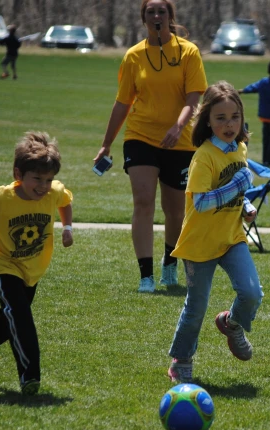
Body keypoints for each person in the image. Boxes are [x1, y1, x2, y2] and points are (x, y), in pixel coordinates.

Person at [93, 0, 207, 293]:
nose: (157, 16)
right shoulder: (133, 56)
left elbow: (193, 99)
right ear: (144, 19)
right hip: (141, 136)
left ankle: (169, 268)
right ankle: (146, 275)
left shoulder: (188, 52)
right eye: (151, 12)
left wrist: (178, 127)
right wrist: (106, 144)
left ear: (171, 17)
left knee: (175, 211)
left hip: (180, 140)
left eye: (162, 11)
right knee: (143, 202)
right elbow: (122, 102)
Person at [0, 131, 73, 396]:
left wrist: (67, 228)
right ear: (18, 174)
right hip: (4, 264)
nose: (44, 186)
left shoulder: (52, 192)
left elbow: (65, 200)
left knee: (9, 320)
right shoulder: (1, 198)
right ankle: (30, 377)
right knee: (21, 319)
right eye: (37, 179)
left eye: (48, 179)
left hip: (32, 268)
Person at [166, 81, 262, 384]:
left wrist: (244, 204)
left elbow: (236, 185)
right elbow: (202, 201)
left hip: (231, 238)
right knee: (195, 309)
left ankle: (231, 323)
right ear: (207, 120)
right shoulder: (203, 157)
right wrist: (238, 188)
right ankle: (181, 359)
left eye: (234, 117)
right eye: (220, 118)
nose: (229, 124)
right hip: (199, 244)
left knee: (251, 293)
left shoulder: (240, 149)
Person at [239, 60, 270, 167]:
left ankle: (265, 160)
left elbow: (253, 87)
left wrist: (243, 90)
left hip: (265, 117)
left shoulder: (264, 82)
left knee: (266, 139)